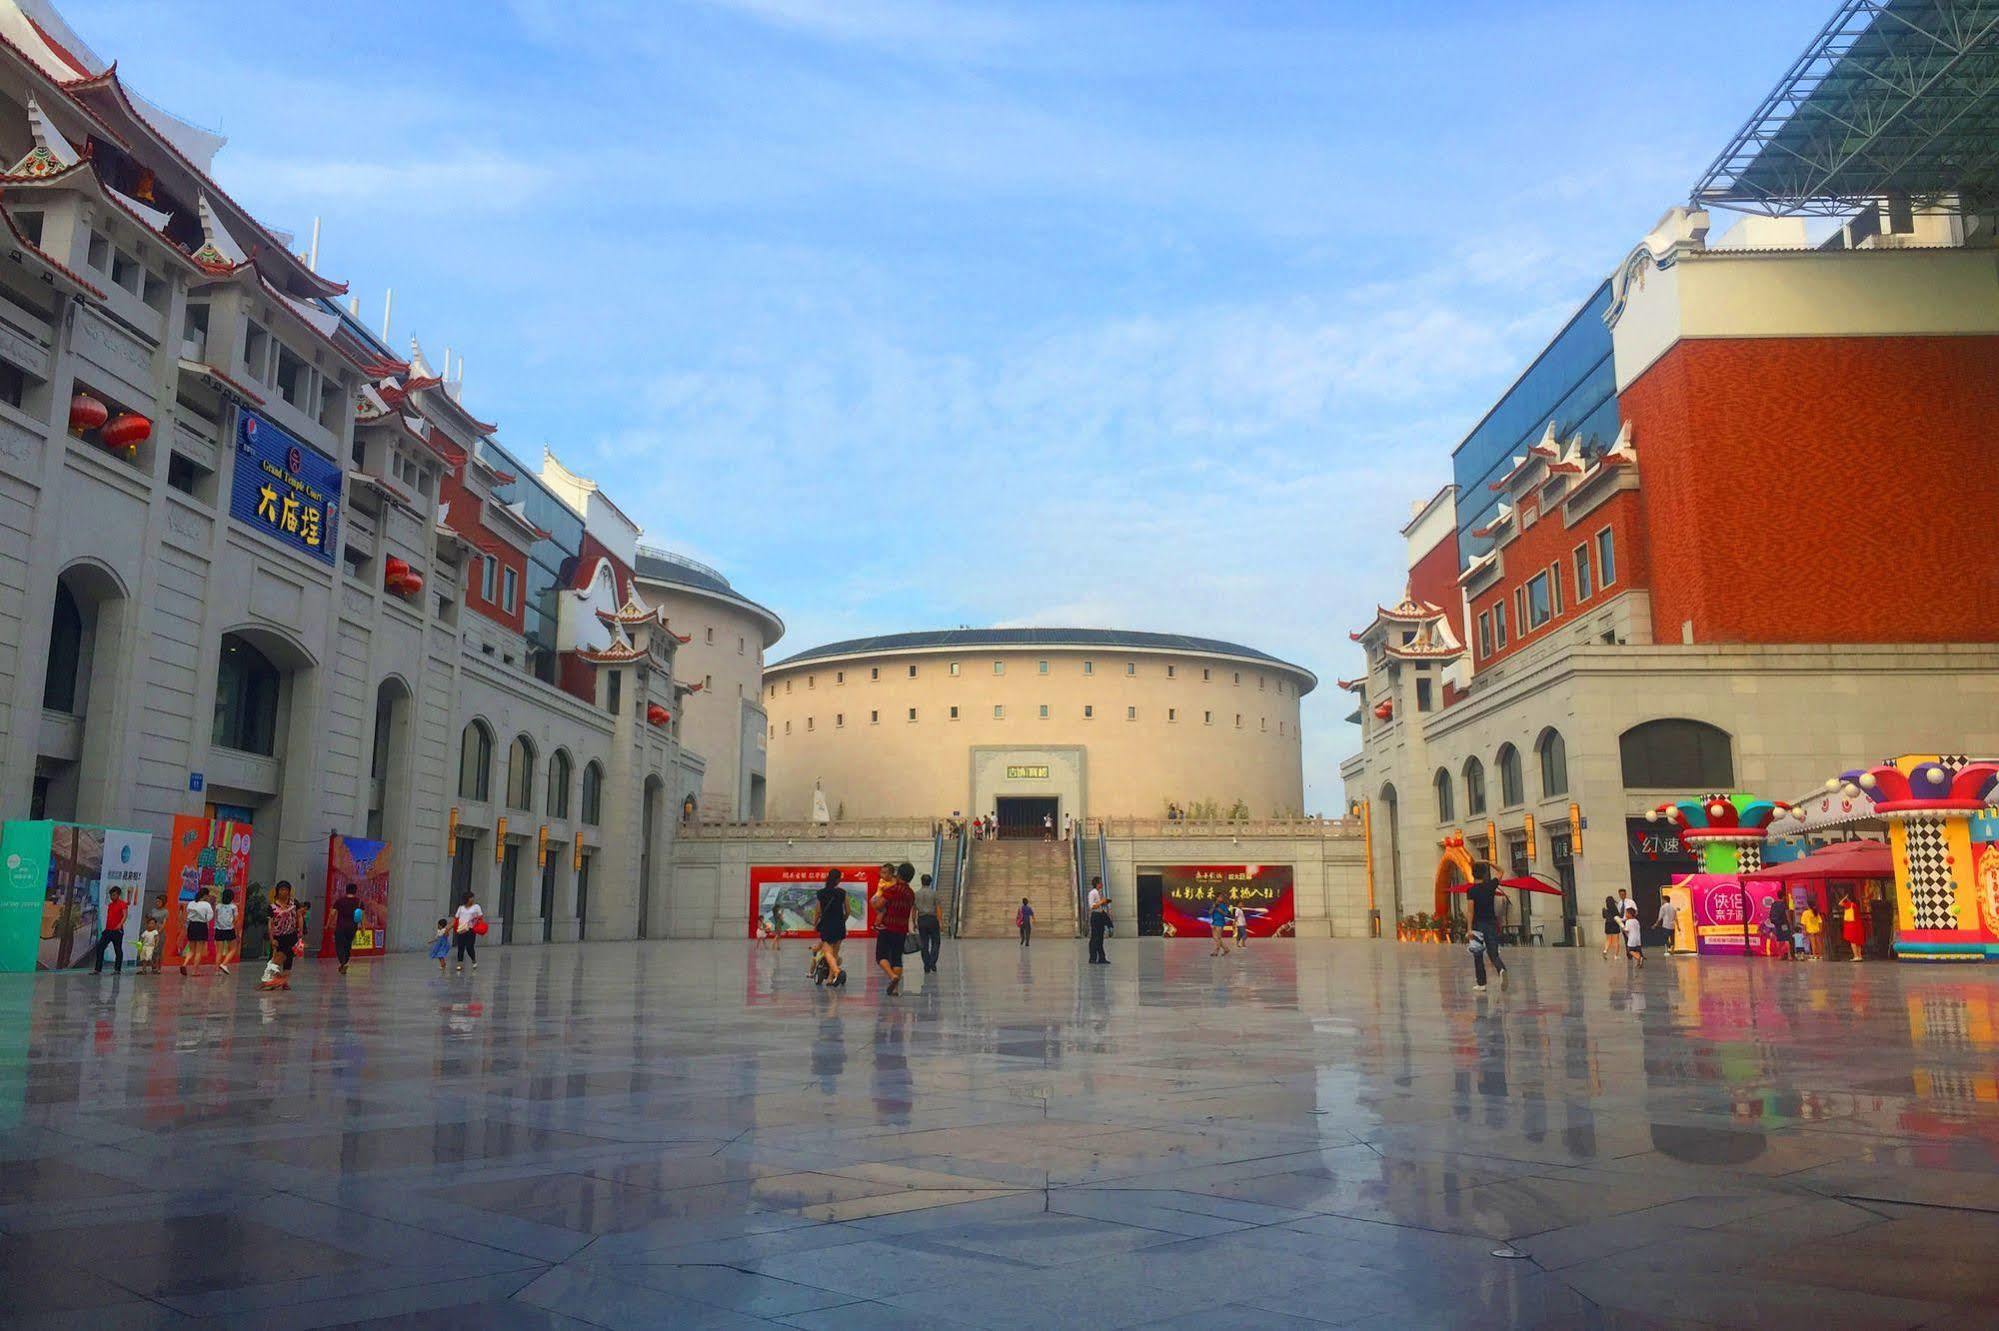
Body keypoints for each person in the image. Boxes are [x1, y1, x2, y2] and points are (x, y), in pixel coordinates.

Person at [871, 862, 916, 996]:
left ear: (899, 874)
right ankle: (895, 989)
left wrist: (879, 907)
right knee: (897, 958)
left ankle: (892, 976)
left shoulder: (891, 890)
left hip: (887, 927)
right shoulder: (910, 893)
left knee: (881, 956)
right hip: (901, 929)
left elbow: (878, 905)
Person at [1466, 868, 1507, 991]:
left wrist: (1469, 929)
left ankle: (1482, 983)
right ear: (1484, 875)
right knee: (1493, 952)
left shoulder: (1471, 891)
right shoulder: (1490, 886)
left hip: (1477, 925)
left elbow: (1470, 911)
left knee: (1478, 953)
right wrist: (1489, 863)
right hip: (1491, 923)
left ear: (1473, 875)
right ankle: (1501, 969)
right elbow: (1501, 871)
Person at [259, 881, 305, 991]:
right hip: (278, 937)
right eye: (281, 890)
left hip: (291, 935)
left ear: (289, 891)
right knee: (274, 959)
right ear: (277, 891)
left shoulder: (294, 904)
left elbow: (299, 917)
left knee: (289, 959)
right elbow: (270, 924)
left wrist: (300, 931)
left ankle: (284, 982)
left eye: (285, 889)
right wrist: (272, 938)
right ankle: (272, 980)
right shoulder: (272, 906)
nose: (283, 892)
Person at [812, 869, 848, 986]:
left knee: (827, 952)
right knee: (835, 953)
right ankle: (830, 979)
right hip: (839, 925)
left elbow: (818, 912)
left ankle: (838, 972)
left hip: (827, 925)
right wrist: (842, 921)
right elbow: (848, 911)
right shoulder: (842, 893)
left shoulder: (821, 893)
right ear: (838, 880)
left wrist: (815, 924)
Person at [91, 886, 128, 975]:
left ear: (118, 895)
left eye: (114, 895)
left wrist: (120, 924)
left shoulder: (122, 904)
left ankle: (117, 970)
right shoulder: (110, 905)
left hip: (117, 931)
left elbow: (125, 915)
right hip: (108, 930)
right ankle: (97, 969)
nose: (112, 897)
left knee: (118, 950)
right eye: (111, 895)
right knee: (100, 947)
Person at [179, 887, 215, 977]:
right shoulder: (206, 905)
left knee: (191, 950)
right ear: (206, 895)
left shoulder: (191, 903)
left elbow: (187, 914)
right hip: (201, 926)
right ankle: (195, 971)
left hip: (191, 926)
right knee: (199, 951)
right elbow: (210, 916)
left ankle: (184, 964)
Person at [913, 872, 943, 974]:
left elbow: (914, 910)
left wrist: (914, 922)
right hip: (932, 919)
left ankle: (926, 965)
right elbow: (938, 908)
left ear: (921, 882)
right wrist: (940, 921)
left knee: (924, 943)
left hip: (921, 919)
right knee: (936, 942)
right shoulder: (934, 893)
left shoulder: (916, 894)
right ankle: (932, 962)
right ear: (930, 882)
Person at [333, 884, 363, 974]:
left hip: (340, 927)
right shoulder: (359, 902)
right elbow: (361, 916)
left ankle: (343, 962)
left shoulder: (339, 901)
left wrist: (328, 924)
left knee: (339, 945)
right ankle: (344, 963)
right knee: (347, 945)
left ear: (346, 890)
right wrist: (363, 928)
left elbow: (332, 913)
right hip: (352, 927)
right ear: (355, 891)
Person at [452, 891, 483, 973]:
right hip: (461, 929)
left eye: (473, 897)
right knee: (460, 947)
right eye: (471, 897)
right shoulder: (460, 908)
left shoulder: (476, 907)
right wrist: (448, 928)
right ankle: (459, 963)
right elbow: (456, 919)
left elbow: (480, 917)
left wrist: (474, 921)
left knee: (469, 946)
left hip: (471, 930)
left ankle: (473, 960)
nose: (472, 899)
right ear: (467, 899)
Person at [213, 887, 240, 975]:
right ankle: (224, 964)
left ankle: (216, 971)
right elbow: (236, 919)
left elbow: (215, 917)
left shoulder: (218, 906)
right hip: (229, 929)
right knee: (233, 949)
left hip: (219, 929)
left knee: (219, 951)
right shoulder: (233, 907)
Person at [142, 893, 169, 974]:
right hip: (151, 931)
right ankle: (152, 966)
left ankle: (159, 968)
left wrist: (158, 932)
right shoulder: (153, 910)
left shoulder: (165, 911)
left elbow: (164, 923)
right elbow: (150, 919)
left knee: (159, 951)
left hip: (160, 932)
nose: (157, 903)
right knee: (151, 950)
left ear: (163, 902)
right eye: (156, 901)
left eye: (159, 902)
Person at [1086, 877, 1111, 964]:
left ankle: (1102, 958)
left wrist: (1104, 902)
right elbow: (1092, 906)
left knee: (1100, 937)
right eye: (1101, 883)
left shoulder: (1099, 893)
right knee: (1095, 937)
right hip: (1095, 916)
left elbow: (1099, 904)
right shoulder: (1092, 893)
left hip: (1100, 915)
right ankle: (1092, 958)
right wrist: (1101, 902)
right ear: (1097, 884)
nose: (1102, 884)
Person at [1840, 892, 1866, 962]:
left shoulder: (1849, 905)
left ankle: (1855, 955)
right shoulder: (1856, 905)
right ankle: (1859, 955)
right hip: (1858, 924)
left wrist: (1845, 898)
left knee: (1852, 940)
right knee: (1858, 941)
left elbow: (1840, 903)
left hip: (1851, 925)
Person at [1765, 893, 1792, 960]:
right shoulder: (1784, 904)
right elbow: (1787, 914)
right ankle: (1789, 955)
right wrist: (1790, 922)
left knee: (1779, 939)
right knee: (1786, 938)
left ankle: (1780, 955)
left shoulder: (1774, 904)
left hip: (1777, 924)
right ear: (1783, 896)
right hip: (1784, 924)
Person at [1600, 895, 1621, 961]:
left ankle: (1605, 951)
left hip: (1607, 924)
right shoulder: (1615, 909)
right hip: (1614, 924)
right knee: (1616, 941)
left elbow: (1604, 917)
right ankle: (1616, 956)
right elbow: (1618, 916)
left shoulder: (1604, 910)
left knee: (1608, 940)